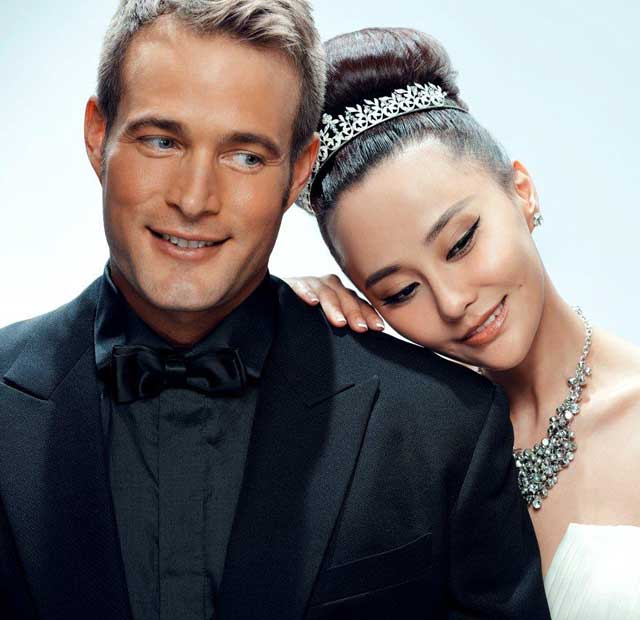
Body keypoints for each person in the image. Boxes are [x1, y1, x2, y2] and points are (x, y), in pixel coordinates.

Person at [285, 27, 640, 620]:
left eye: (461, 243)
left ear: (522, 192)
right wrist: (292, 327)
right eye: (401, 291)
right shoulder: (414, 450)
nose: (453, 301)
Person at [0, 3, 550, 619]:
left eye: (246, 156)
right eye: (162, 141)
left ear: (297, 172)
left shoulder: (442, 425)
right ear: (98, 136)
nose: (194, 199)